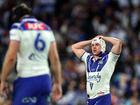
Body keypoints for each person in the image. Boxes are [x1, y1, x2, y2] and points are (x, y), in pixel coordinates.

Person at [0, 3, 62, 105]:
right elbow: (55, 59)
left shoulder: (18, 27)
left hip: (27, 80)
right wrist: (58, 83)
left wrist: (3, 80)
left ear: (16, 18)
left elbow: (11, 58)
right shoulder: (47, 28)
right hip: (45, 80)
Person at [71, 35, 122, 105]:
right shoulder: (88, 58)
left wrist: (103, 38)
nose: (94, 47)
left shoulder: (109, 58)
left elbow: (118, 42)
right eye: (92, 45)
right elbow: (74, 47)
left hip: (102, 98)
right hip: (90, 99)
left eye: (97, 44)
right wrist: (91, 41)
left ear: (102, 46)